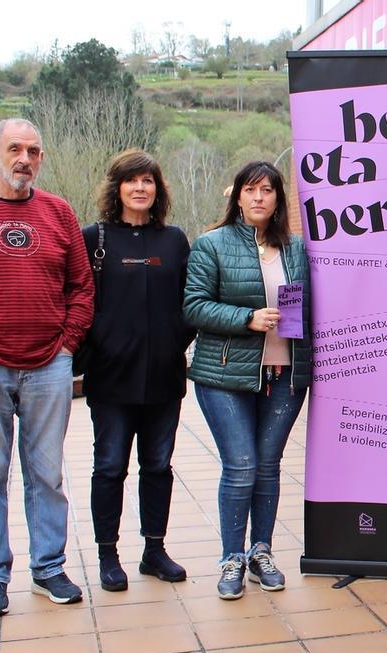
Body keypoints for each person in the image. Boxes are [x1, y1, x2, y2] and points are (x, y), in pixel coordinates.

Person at [0, 118, 94, 615]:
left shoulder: (59, 212)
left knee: (47, 474)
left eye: (34, 151)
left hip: (48, 365)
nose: (25, 159)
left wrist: (67, 344)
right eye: (15, 149)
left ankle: (48, 569)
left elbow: (81, 287)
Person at [184, 161, 312, 601]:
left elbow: (307, 308)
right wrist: (246, 318)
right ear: (236, 196)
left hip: (284, 376)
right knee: (241, 468)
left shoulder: (296, 249)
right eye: (251, 189)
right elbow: (194, 306)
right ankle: (231, 558)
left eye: (268, 190)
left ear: (279, 199)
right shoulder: (211, 245)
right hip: (224, 376)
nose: (259, 197)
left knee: (268, 466)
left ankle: (262, 552)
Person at [83, 150, 195, 592]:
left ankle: (154, 550)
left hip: (165, 377)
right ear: (117, 187)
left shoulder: (174, 240)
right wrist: (101, 347)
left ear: (158, 188)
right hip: (111, 378)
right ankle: (108, 554)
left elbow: (190, 302)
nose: (141, 188)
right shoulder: (94, 238)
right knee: (110, 467)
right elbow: (81, 301)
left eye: (148, 180)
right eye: (132, 181)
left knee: (158, 466)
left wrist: (172, 343)